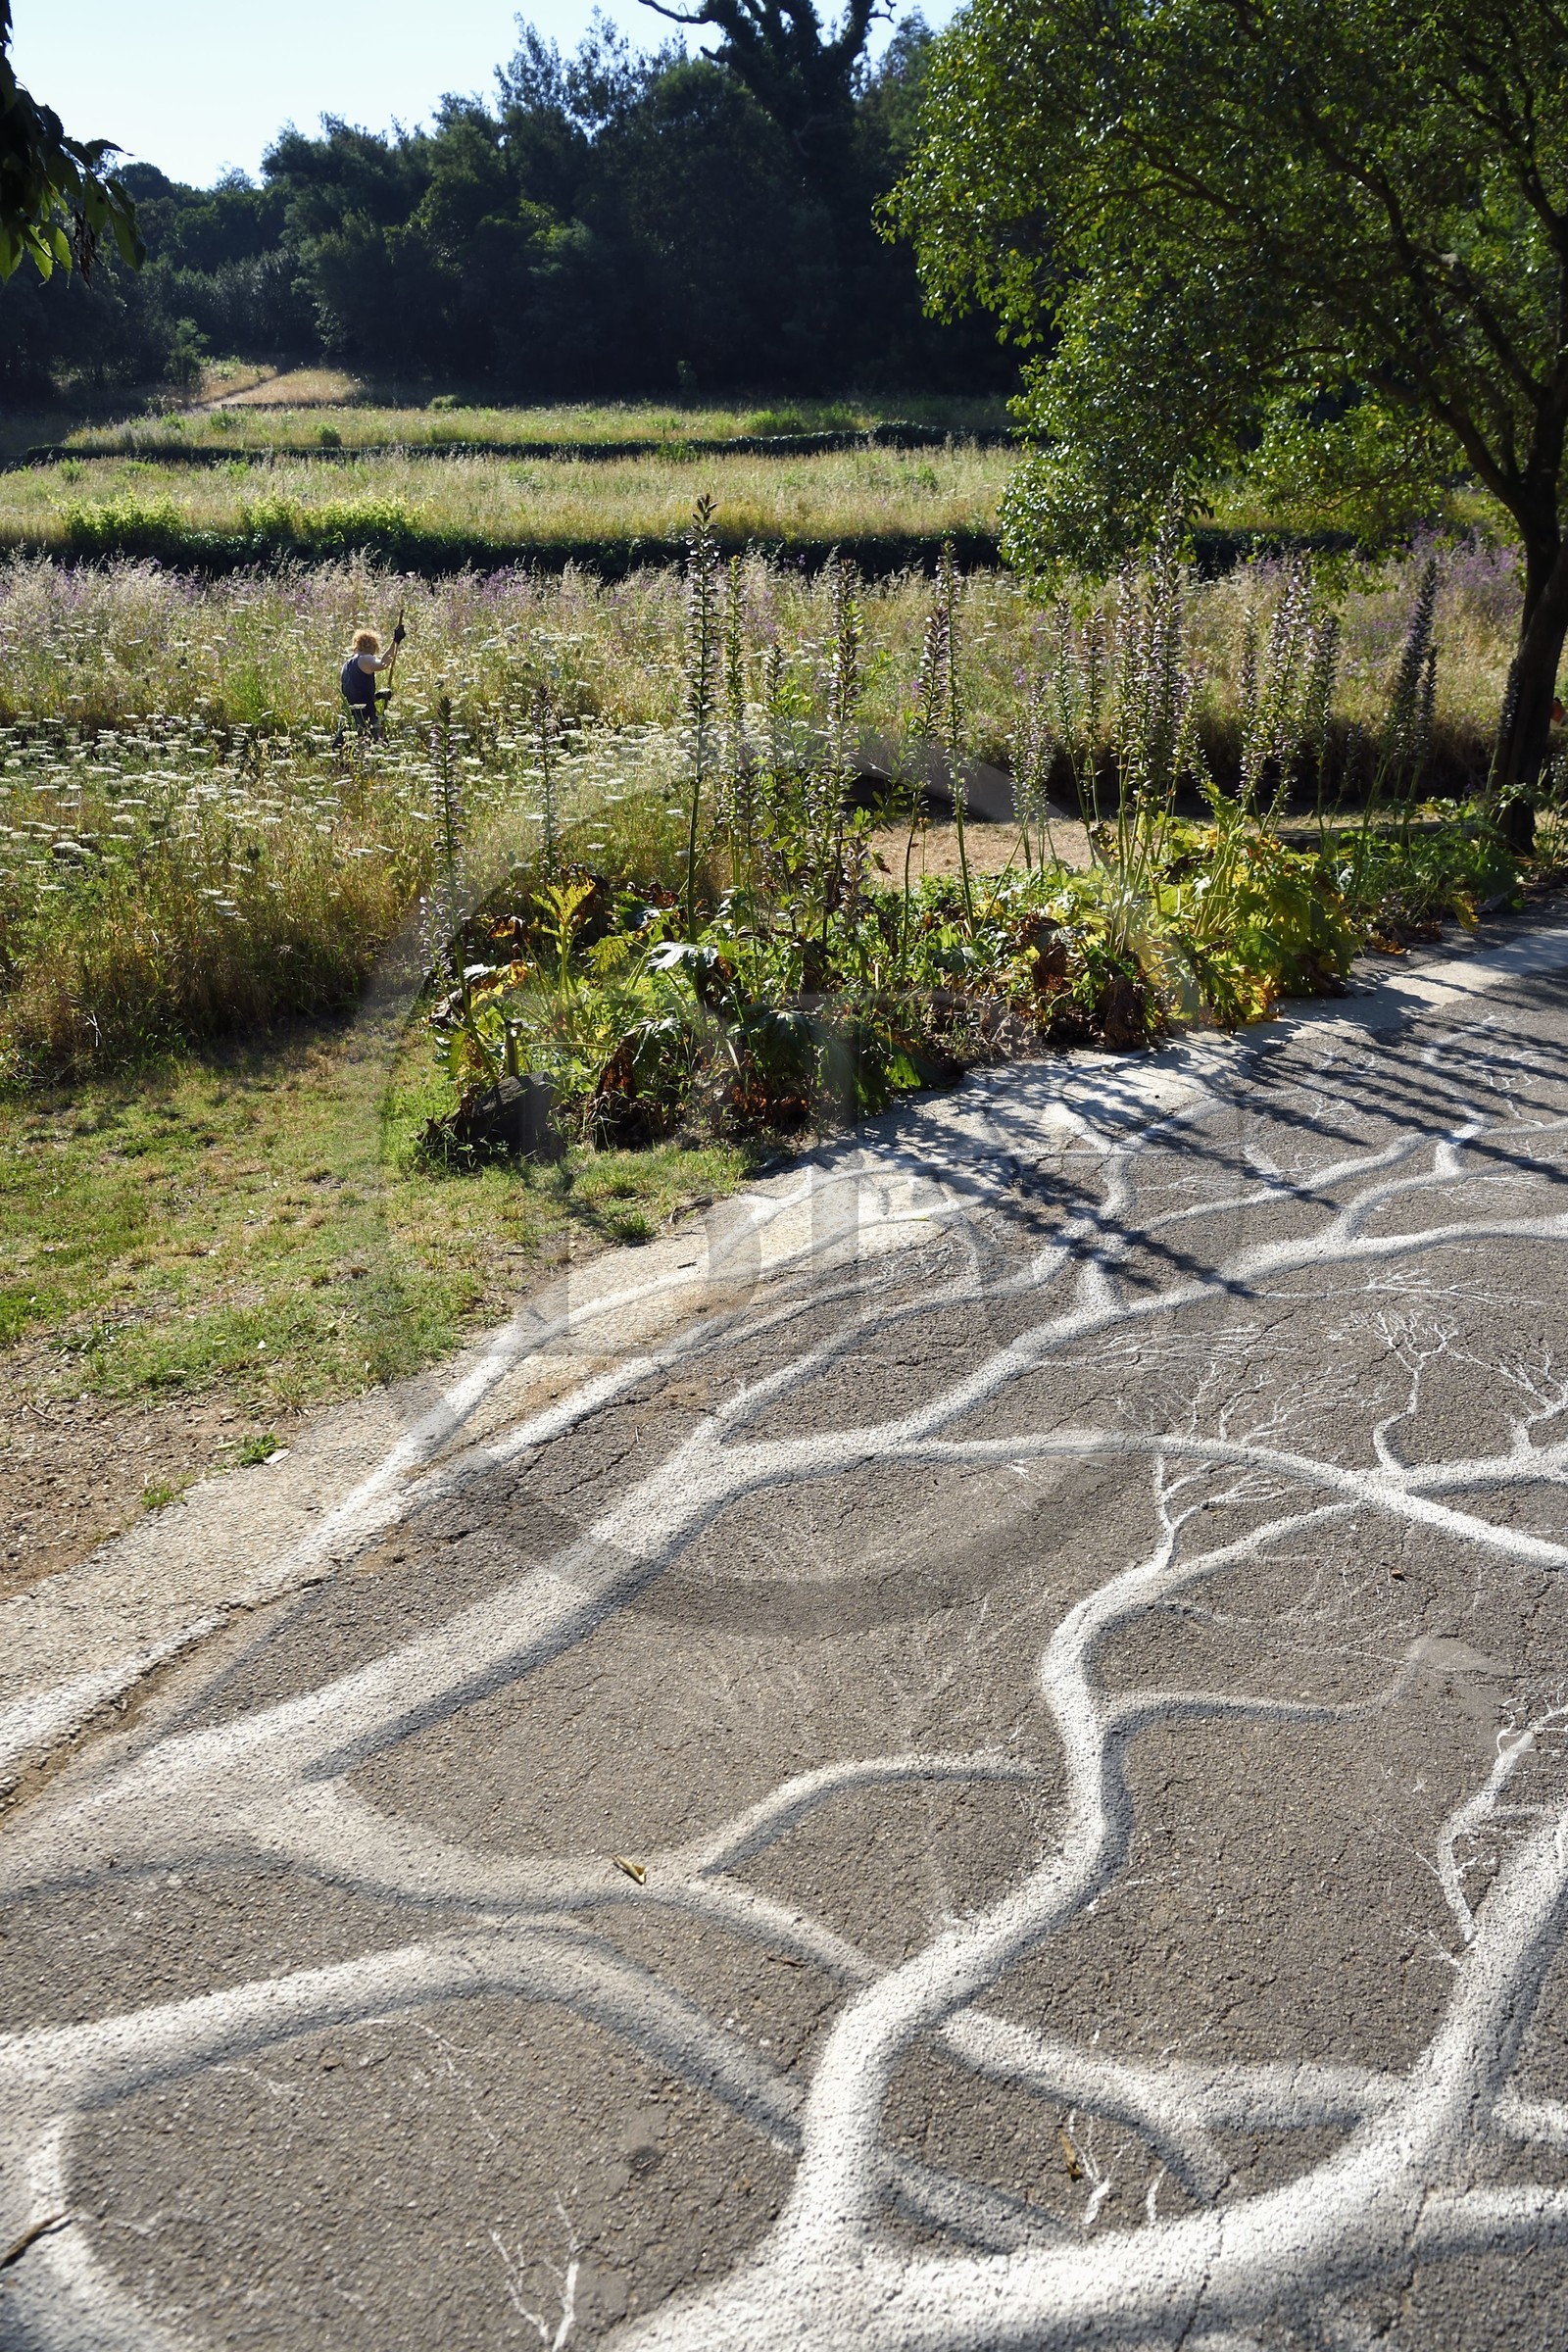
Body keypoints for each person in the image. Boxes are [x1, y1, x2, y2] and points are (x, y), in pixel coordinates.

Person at [339, 623, 405, 739]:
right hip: (364, 717)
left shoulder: (346, 665)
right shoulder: (365, 658)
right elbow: (383, 664)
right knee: (371, 745)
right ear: (373, 646)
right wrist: (396, 641)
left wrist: (378, 696)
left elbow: (356, 695)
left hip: (348, 716)